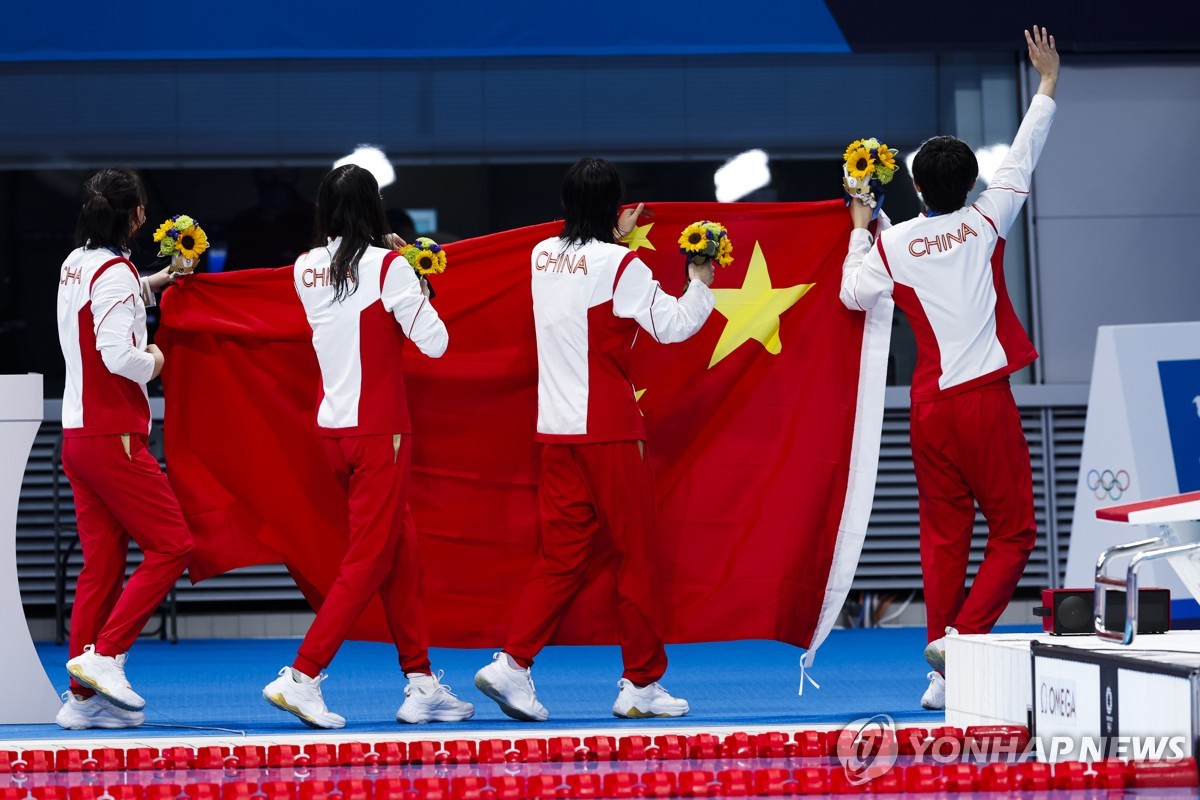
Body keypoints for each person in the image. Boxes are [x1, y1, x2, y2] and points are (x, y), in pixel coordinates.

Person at [839, 27, 1060, 711]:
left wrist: (859, 222)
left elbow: (852, 294)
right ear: (970, 183)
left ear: (913, 185)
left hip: (929, 409)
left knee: (943, 535)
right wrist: (1046, 82)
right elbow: (1021, 158)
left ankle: (942, 673)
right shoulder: (989, 218)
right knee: (1016, 532)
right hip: (985, 403)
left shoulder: (893, 243)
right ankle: (962, 640)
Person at [474, 157, 716, 721]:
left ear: (565, 203)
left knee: (561, 556)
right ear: (614, 207)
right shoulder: (622, 264)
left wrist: (612, 231)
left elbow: (581, 264)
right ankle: (640, 685)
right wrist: (699, 279)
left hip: (556, 429)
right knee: (635, 557)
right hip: (608, 428)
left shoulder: (540, 256)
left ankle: (513, 665)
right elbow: (673, 325)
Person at [263, 164, 473, 728]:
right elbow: (436, 343)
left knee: (400, 556)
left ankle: (421, 682)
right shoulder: (390, 268)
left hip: (334, 431)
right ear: (373, 210)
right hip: (381, 431)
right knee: (369, 560)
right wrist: (417, 275)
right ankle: (303, 676)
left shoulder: (305, 267)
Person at [55, 168, 194, 729]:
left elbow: (111, 300)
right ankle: (106, 657)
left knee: (103, 566)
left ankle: (81, 702)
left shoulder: (76, 264)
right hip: (114, 435)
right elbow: (121, 357)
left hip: (78, 437)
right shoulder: (110, 272)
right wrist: (161, 358)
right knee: (173, 546)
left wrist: (159, 280)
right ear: (135, 215)